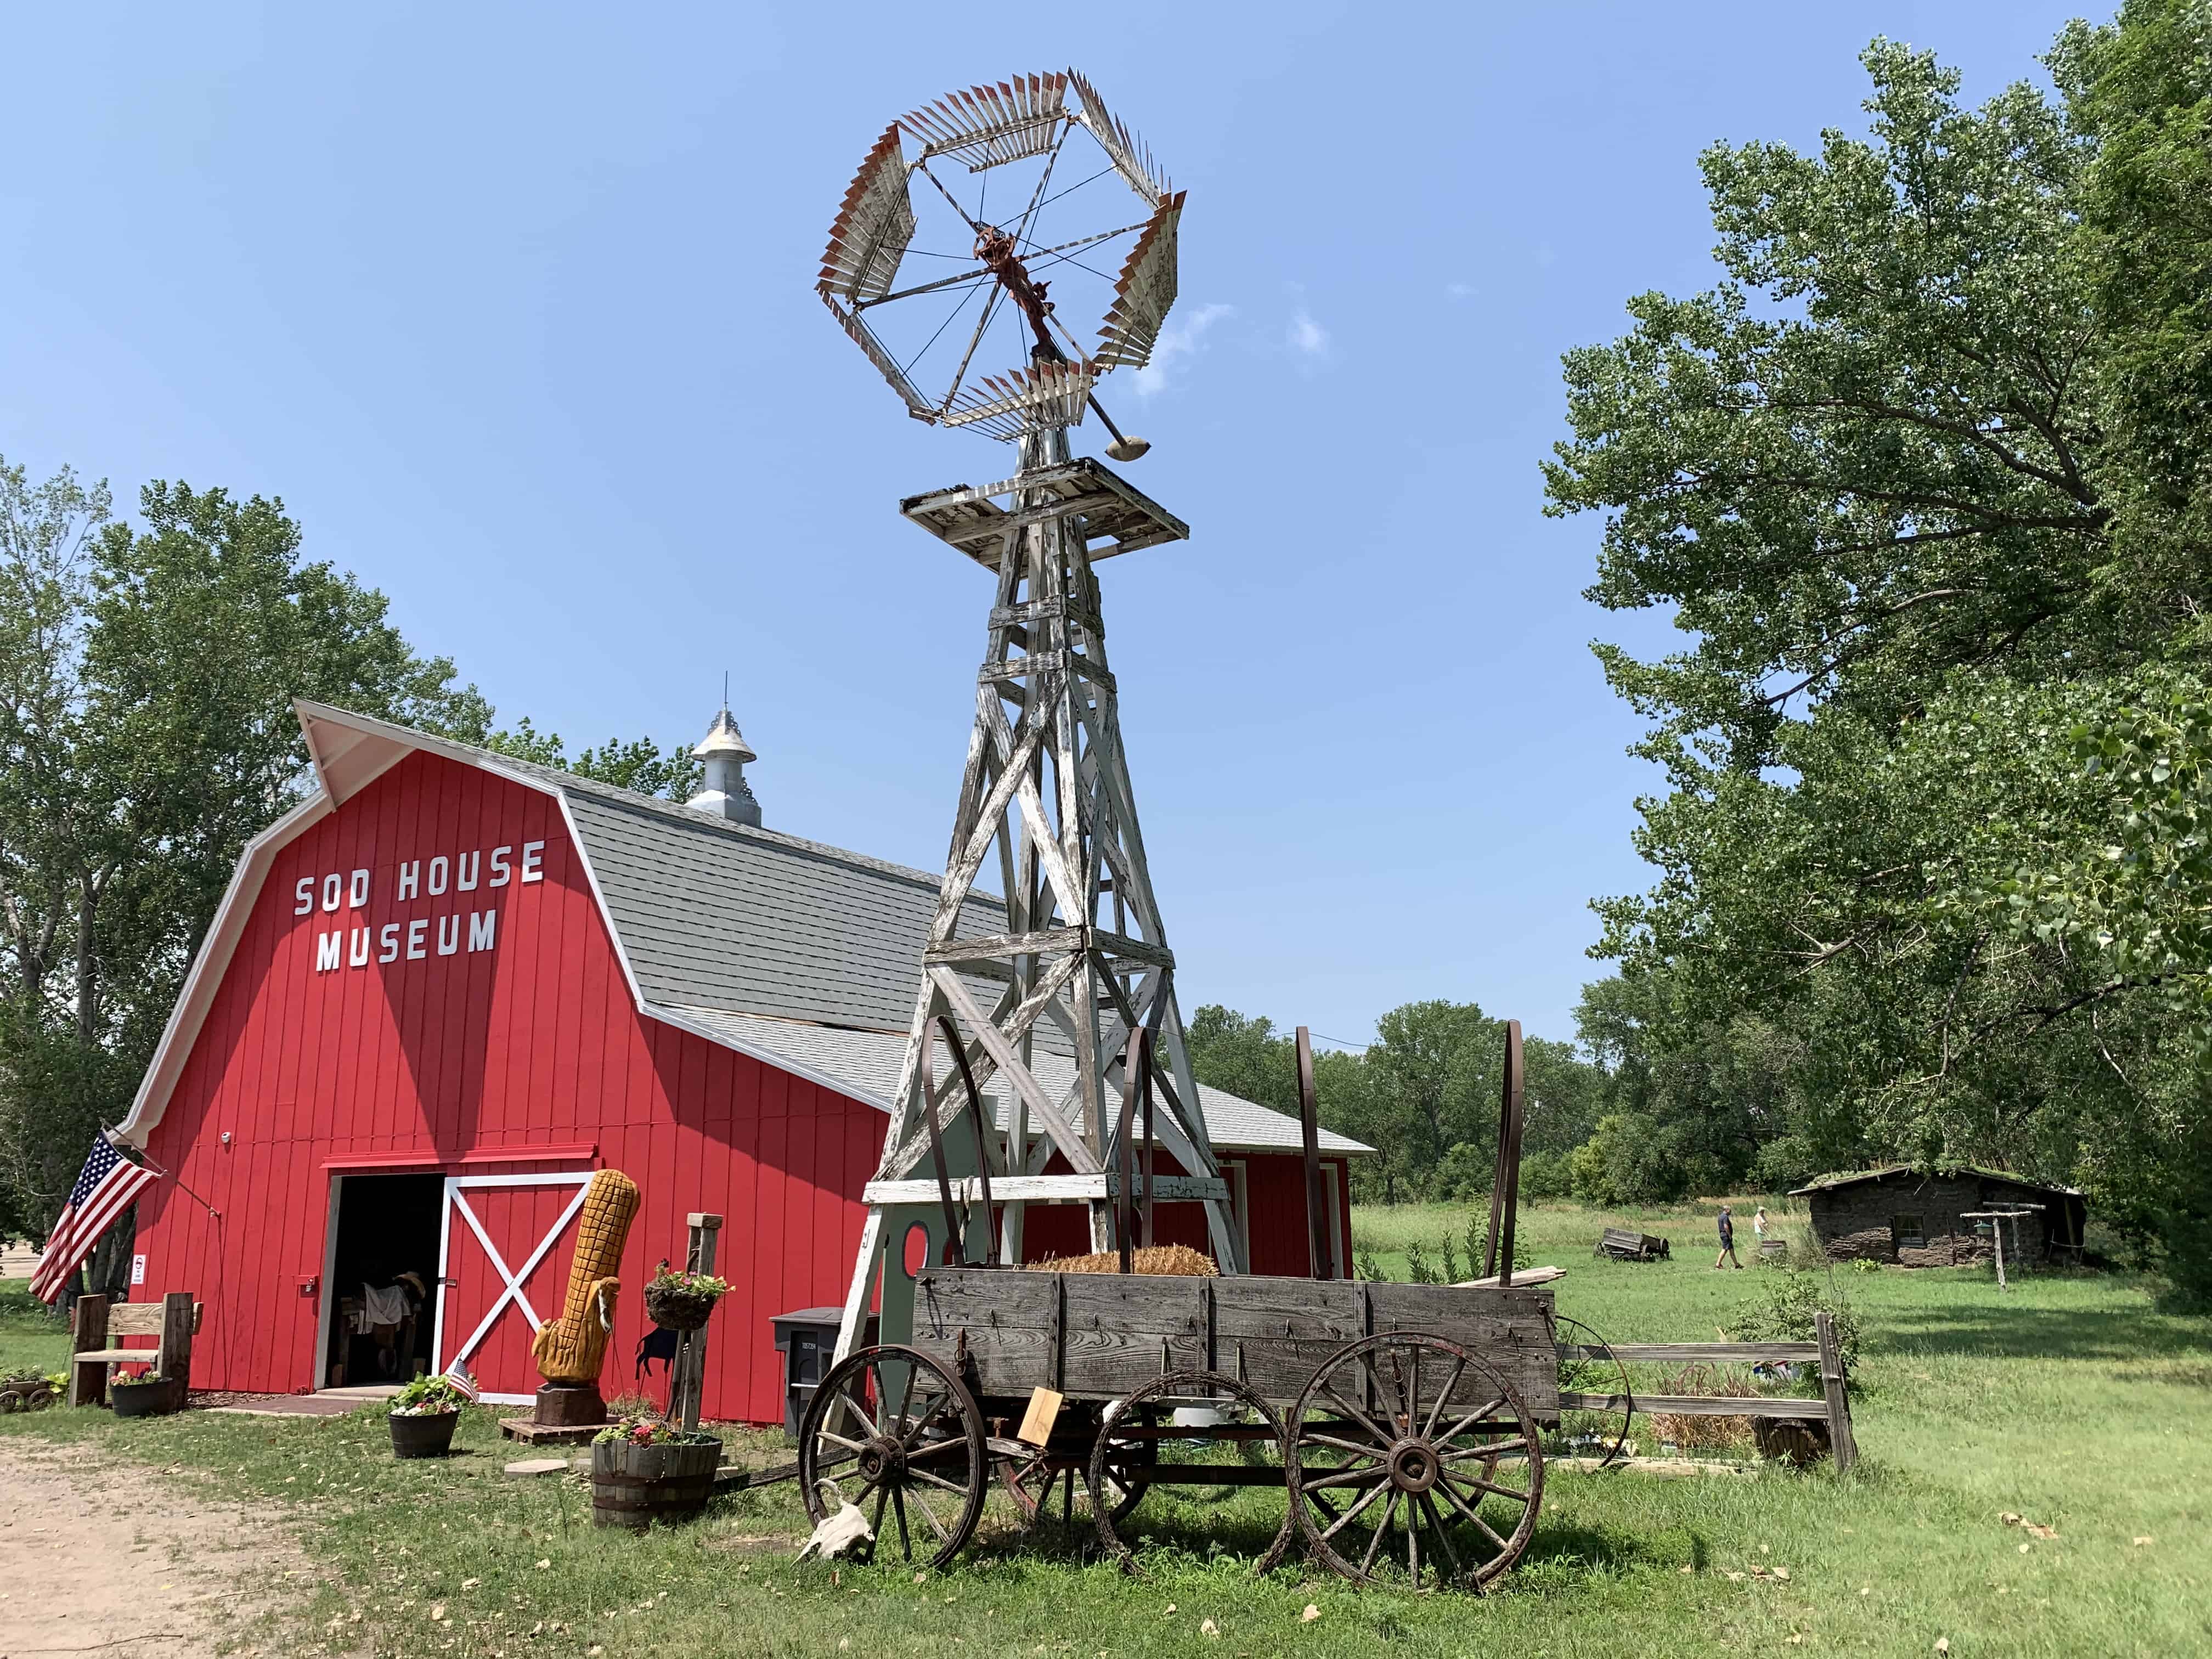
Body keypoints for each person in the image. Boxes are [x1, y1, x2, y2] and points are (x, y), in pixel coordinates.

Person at [1714, 1204, 1743, 1269]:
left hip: (1723, 1234)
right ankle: (1718, 1264)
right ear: (1726, 1210)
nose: (1731, 1212)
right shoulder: (1725, 1217)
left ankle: (1737, 1264)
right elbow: (1726, 1227)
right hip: (1726, 1235)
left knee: (1731, 1250)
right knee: (1724, 1249)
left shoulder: (1720, 1216)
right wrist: (1730, 1236)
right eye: (1730, 1210)